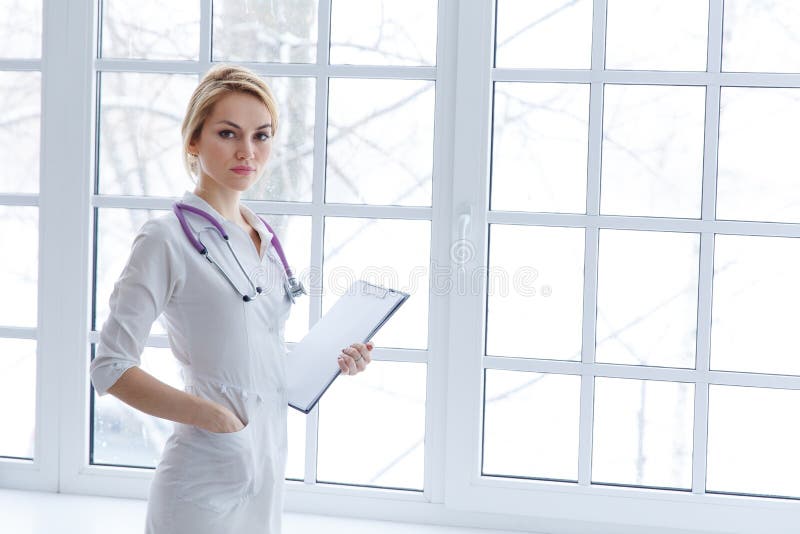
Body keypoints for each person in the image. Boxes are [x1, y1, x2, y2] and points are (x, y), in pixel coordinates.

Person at [89, 64, 373, 534]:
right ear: (193, 141)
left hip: (266, 464)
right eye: (228, 133)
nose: (248, 151)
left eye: (261, 136)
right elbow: (111, 368)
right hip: (204, 474)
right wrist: (212, 416)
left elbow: (253, 351)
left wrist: (335, 361)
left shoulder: (259, 234)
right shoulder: (165, 239)